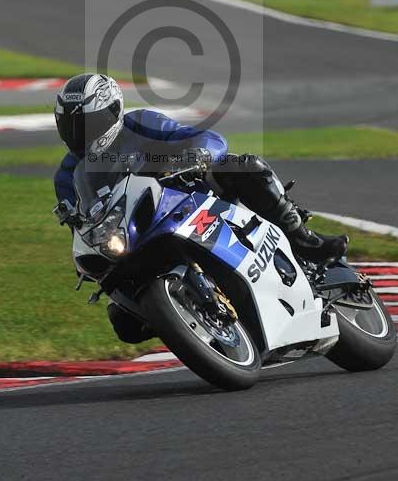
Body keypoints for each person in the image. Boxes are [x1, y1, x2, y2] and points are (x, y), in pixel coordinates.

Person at [54, 73, 347, 342]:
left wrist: (197, 153)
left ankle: (302, 238)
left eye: (88, 125)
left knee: (243, 168)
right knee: (124, 323)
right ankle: (184, 316)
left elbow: (202, 137)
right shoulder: (67, 176)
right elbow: (81, 227)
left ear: (114, 113)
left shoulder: (140, 123)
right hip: (135, 236)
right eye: (70, 126)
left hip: (187, 198)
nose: (80, 134)